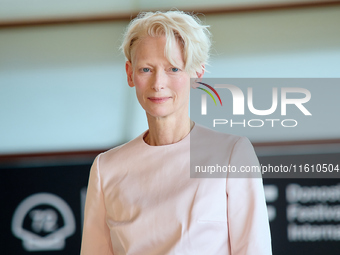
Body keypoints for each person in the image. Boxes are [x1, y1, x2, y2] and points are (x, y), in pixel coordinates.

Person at [81, 10, 272, 255]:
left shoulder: (232, 154)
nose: (158, 83)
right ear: (130, 73)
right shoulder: (106, 169)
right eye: (146, 69)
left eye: (173, 69)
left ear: (197, 73)